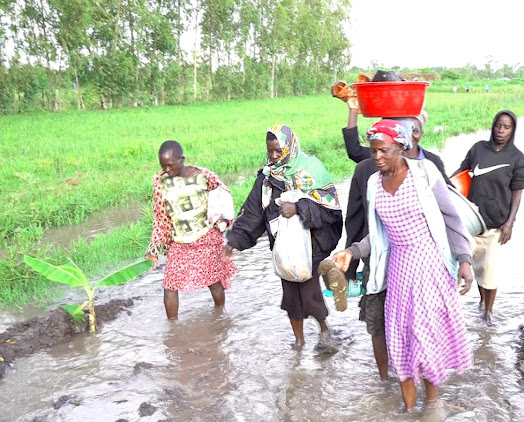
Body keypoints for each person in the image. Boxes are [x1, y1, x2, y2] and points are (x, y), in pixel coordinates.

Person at [332, 120, 474, 411]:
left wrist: (464, 260)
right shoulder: (374, 183)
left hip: (428, 264)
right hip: (397, 268)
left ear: (400, 146)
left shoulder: (424, 173)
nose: (377, 158)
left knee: (424, 335)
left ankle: (432, 404)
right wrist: (352, 251)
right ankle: (409, 409)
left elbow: (451, 218)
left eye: (383, 151)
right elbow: (378, 232)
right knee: (399, 337)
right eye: (373, 152)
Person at [340, 92, 451, 381]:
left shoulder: (430, 167)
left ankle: (422, 379)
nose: (412, 133)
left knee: (420, 327)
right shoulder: (369, 170)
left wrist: (458, 259)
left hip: (422, 269)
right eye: (407, 126)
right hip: (378, 260)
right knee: (378, 323)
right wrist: (351, 261)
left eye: (416, 128)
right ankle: (385, 380)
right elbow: (356, 218)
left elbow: (448, 214)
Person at [224, 125, 343, 350]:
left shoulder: (310, 170)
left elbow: (330, 209)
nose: (275, 156)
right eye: (271, 151)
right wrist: (234, 240)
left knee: (309, 292)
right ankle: (298, 341)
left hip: (311, 244)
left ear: (290, 146)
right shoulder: (268, 177)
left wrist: (299, 207)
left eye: (279, 151)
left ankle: (325, 331)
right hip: (282, 245)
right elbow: (253, 212)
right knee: (290, 296)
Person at [145, 140, 237, 320]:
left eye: (171, 165)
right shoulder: (160, 182)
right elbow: (160, 218)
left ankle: (220, 317)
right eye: (163, 166)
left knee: (213, 282)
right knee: (170, 285)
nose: (167, 171)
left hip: (207, 239)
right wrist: (153, 250)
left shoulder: (204, 176)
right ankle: (172, 328)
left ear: (182, 159)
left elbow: (223, 196)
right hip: (179, 242)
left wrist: (221, 221)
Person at [452, 110, 524, 325]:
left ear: (512, 130)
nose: (501, 131)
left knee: (490, 270)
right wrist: (446, 186)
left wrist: (509, 223)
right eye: (498, 125)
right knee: (477, 267)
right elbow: (462, 171)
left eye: (506, 127)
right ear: (493, 126)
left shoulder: (518, 159)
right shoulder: (478, 149)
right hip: (470, 221)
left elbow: (517, 192)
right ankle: (482, 303)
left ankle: (488, 312)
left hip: (495, 224)